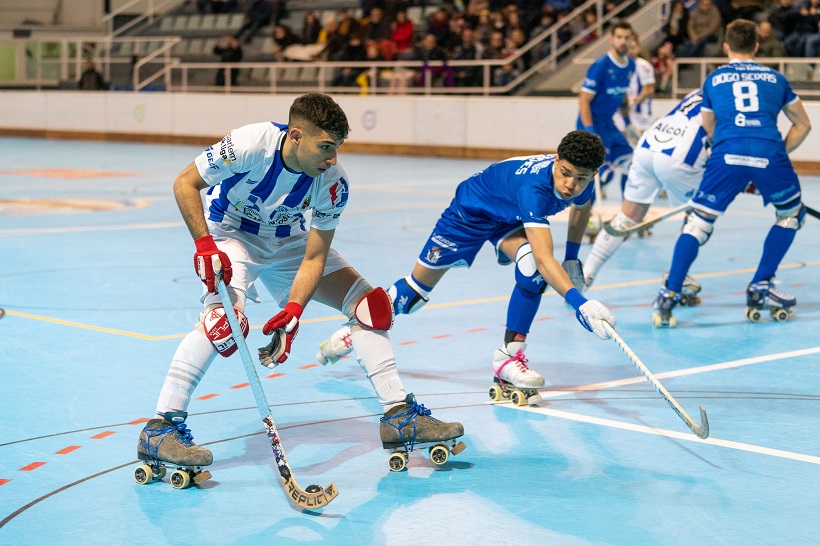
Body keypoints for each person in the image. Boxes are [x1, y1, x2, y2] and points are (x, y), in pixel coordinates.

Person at [137, 93, 464, 474]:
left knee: (371, 305)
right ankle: (162, 428)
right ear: (295, 136)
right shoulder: (249, 143)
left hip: (288, 243)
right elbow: (184, 183)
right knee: (222, 323)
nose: (333, 158)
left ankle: (399, 415)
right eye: (326, 147)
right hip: (231, 236)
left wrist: (293, 311)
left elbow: (313, 256)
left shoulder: (332, 182)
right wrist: (204, 244)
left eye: (338, 148)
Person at [315, 131, 618, 400]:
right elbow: (544, 255)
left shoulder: (582, 182)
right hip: (470, 213)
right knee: (416, 293)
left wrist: (574, 256)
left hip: (507, 217)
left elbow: (581, 209)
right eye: (565, 173)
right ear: (556, 159)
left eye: (581, 178)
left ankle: (508, 359)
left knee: (532, 272)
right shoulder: (534, 191)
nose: (570, 185)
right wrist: (579, 302)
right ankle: (356, 327)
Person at [653, 19, 812, 327]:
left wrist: (734, 161)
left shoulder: (712, 80)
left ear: (726, 46)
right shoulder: (777, 78)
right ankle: (761, 286)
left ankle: (669, 293)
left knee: (698, 222)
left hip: (726, 154)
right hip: (769, 152)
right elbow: (804, 125)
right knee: (791, 215)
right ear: (756, 46)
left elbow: (708, 125)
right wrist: (772, 158)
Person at [584, 89, 709, 302]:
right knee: (697, 219)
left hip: (652, 140)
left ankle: (585, 276)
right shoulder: (731, 93)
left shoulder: (702, 88)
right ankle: (676, 281)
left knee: (627, 217)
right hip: (683, 150)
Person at [577, 20, 635, 193]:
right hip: (592, 124)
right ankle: (587, 216)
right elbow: (584, 100)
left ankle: (628, 216)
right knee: (601, 174)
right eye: (619, 37)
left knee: (632, 165)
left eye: (626, 37)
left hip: (609, 124)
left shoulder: (630, 65)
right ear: (611, 39)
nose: (623, 41)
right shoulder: (601, 65)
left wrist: (628, 122)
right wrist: (589, 132)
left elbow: (623, 95)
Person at [614, 32, 656, 146]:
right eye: (628, 48)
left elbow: (649, 89)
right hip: (624, 111)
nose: (630, 51)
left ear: (638, 48)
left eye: (633, 48)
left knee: (641, 142)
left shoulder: (643, 65)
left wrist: (634, 102)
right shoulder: (620, 65)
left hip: (640, 111)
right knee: (622, 140)